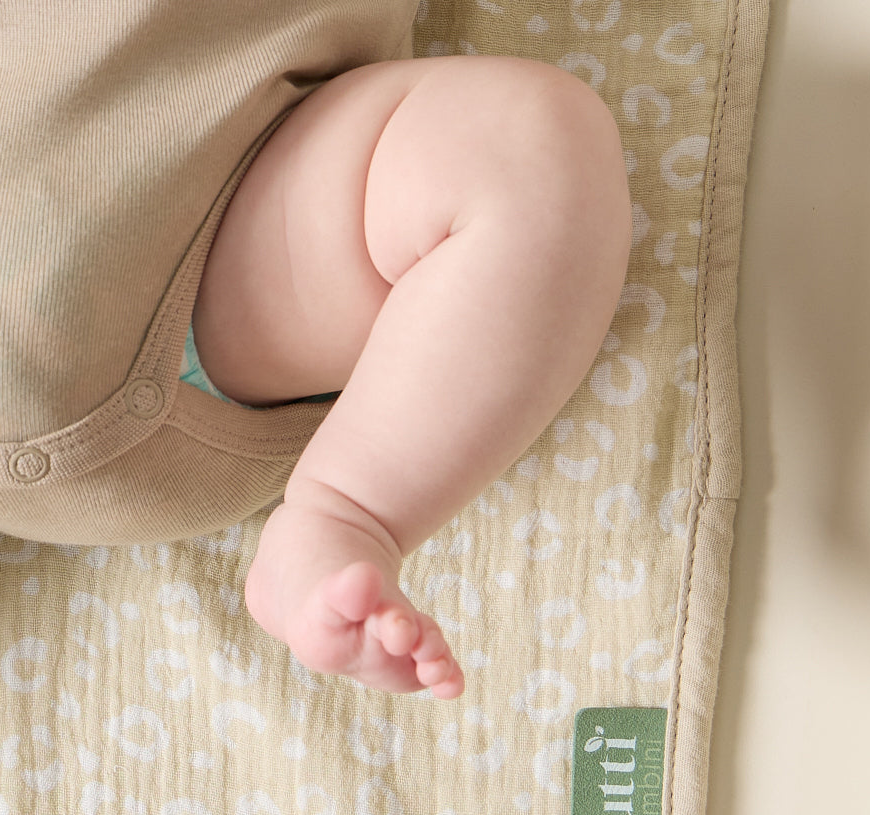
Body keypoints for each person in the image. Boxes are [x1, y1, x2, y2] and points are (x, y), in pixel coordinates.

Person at [196, 56, 631, 701]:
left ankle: (344, 515)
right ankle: (346, 515)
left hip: (209, 188)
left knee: (518, 139)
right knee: (520, 134)